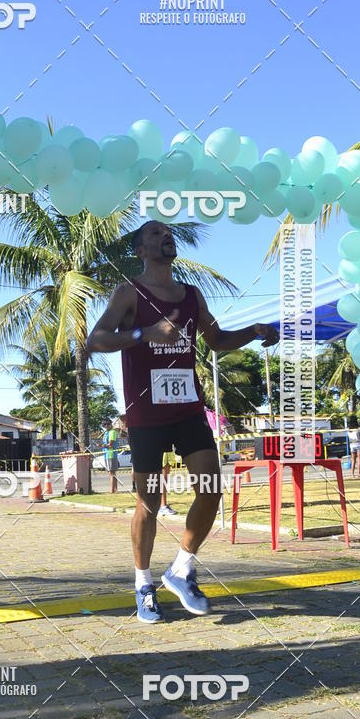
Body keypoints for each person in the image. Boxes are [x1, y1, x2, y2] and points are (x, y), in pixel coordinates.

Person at [86, 220, 279, 623]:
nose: (165, 236)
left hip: (189, 408)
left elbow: (217, 339)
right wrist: (145, 333)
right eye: (154, 234)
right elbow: (97, 340)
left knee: (211, 491)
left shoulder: (191, 296)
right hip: (147, 414)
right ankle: (143, 584)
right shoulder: (129, 293)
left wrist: (254, 331)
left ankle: (181, 569)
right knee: (150, 502)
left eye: (168, 232)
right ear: (140, 250)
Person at [102, 418, 119, 493]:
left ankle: (112, 490)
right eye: (105, 424)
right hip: (106, 455)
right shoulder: (106, 433)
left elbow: (110, 445)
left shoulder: (112, 432)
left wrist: (102, 445)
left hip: (111, 455)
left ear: (111, 424)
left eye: (108, 424)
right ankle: (115, 490)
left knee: (112, 473)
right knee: (111, 473)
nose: (106, 426)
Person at [160, 449, 178, 517]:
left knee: (164, 479)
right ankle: (163, 506)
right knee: (163, 479)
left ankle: (163, 505)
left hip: (168, 449)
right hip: (164, 449)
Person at [347, 415, 360, 479]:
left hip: (352, 444)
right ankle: (359, 473)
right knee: (359, 460)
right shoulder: (358, 428)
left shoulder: (349, 429)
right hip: (358, 443)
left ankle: (352, 474)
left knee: (353, 460)